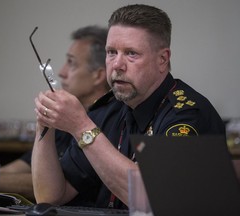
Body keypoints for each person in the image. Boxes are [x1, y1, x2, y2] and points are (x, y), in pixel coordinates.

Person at [32, 4, 226, 209]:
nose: (117, 65)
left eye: (131, 53)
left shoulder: (186, 115)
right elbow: (49, 196)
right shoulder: (108, 111)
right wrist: (44, 124)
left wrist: (82, 128)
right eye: (111, 52)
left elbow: (157, 200)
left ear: (162, 60)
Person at [0, 25, 109, 202]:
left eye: (71, 63)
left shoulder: (106, 122)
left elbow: (50, 186)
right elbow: (10, 172)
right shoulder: (63, 123)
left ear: (98, 75)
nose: (61, 72)